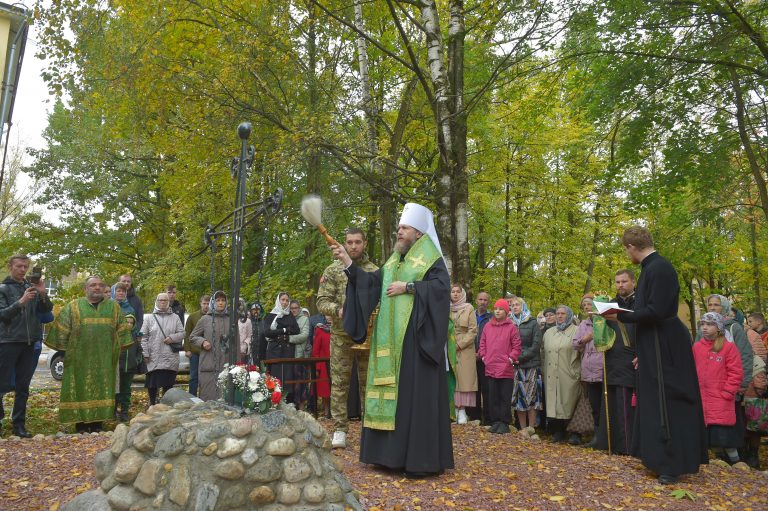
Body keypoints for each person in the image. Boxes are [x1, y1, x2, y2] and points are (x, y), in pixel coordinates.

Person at [333, 202, 453, 477]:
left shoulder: (431, 259)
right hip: (390, 345)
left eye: (404, 228)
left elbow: (440, 290)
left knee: (412, 400)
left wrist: (409, 287)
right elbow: (372, 284)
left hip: (415, 344)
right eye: (399, 227)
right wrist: (348, 263)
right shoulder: (394, 259)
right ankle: (387, 456)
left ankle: (416, 458)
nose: (399, 232)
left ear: (419, 232)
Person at [613, 226, 707, 484]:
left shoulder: (660, 268)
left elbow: (658, 310)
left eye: (625, 249)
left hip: (666, 344)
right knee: (655, 400)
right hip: (654, 342)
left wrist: (619, 314)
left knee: (670, 400)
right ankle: (657, 459)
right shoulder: (650, 269)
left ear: (631, 247)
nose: (626, 253)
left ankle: (673, 464)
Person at [317, 227, 378, 449]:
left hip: (367, 336)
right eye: (350, 242)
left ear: (365, 243)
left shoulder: (374, 270)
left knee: (369, 383)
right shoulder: (334, 270)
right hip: (341, 335)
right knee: (340, 384)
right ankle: (340, 430)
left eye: (357, 242)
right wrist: (339, 310)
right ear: (344, 243)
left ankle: (369, 429)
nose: (353, 246)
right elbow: (321, 301)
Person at [45, 276, 132, 432]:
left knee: (102, 389)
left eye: (100, 285)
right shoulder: (73, 306)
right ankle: (81, 425)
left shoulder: (114, 308)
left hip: (104, 360)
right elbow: (61, 331)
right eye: (93, 285)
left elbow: (123, 332)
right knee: (80, 390)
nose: (97, 287)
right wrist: (67, 352)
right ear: (86, 289)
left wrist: (116, 350)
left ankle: (98, 424)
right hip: (78, 360)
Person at [0, 255, 54, 437]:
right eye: (19, 266)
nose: (23, 269)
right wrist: (21, 302)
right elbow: (3, 315)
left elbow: (46, 311)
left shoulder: (31, 287)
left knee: (23, 387)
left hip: (29, 343)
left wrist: (42, 292)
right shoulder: (3, 289)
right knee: (2, 384)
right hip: (8, 341)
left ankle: (19, 425)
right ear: (10, 266)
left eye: (25, 266)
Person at [594, 269, 637, 454]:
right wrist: (598, 320)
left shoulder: (641, 304)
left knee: (628, 404)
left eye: (624, 281)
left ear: (633, 282)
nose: (620, 285)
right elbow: (601, 334)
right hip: (611, 359)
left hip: (633, 359)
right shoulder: (609, 304)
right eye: (617, 282)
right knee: (612, 401)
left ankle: (629, 446)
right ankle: (611, 443)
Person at [693, 312, 744, 464]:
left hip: (720, 399)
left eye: (709, 324)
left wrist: (727, 392)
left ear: (719, 327)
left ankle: (736, 464)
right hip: (701, 398)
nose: (705, 327)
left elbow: (736, 372)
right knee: (708, 437)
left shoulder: (728, 348)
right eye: (703, 324)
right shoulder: (696, 347)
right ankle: (716, 466)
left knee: (725, 437)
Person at [477, 299, 522, 434]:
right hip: (490, 366)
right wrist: (484, 356)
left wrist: (510, 359)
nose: (497, 311)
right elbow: (482, 342)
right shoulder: (487, 326)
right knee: (492, 395)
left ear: (506, 312)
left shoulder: (511, 327)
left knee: (504, 396)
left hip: (505, 368)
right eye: (496, 308)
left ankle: (504, 422)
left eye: (500, 309)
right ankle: (495, 421)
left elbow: (517, 345)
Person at [542, 305, 581, 444]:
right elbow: (543, 353)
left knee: (570, 401)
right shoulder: (549, 332)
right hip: (551, 373)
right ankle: (558, 431)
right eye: (557, 313)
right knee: (555, 401)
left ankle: (574, 433)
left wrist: (577, 372)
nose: (559, 316)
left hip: (569, 372)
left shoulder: (577, 331)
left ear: (569, 315)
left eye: (563, 314)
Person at [141, 292, 185, 406]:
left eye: (165, 300)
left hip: (169, 356)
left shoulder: (175, 317)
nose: (162, 302)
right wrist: (145, 353)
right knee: (152, 383)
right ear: (156, 301)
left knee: (167, 384)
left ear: (168, 302)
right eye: (160, 300)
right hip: (153, 356)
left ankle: (166, 405)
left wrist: (172, 338)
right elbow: (143, 337)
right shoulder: (149, 318)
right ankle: (152, 404)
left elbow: (182, 333)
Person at [190, 291, 231, 401]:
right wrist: (202, 342)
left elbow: (235, 342)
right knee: (209, 394)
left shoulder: (231, 320)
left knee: (225, 393)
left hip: (226, 360)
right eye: (218, 300)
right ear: (213, 302)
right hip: (209, 360)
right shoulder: (206, 319)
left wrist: (236, 363)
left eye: (223, 300)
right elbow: (193, 336)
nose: (220, 303)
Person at [510, 296, 543, 431]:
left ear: (523, 306)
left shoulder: (532, 322)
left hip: (530, 366)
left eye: (517, 304)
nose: (515, 307)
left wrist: (520, 357)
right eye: (512, 305)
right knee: (519, 398)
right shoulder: (510, 322)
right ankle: (522, 428)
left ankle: (531, 428)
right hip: (515, 366)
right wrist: (512, 358)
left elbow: (536, 345)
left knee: (531, 397)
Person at [573, 294, 603, 441]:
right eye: (584, 305)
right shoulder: (583, 325)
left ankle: (606, 435)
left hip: (603, 369)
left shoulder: (604, 321)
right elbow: (574, 344)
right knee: (594, 405)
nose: (586, 307)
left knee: (604, 405)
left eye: (589, 304)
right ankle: (596, 436)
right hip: (588, 369)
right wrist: (583, 340)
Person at [263, 292, 300, 400]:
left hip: (287, 350)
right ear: (278, 301)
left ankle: (288, 402)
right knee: (275, 377)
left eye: (287, 300)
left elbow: (296, 330)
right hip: (274, 350)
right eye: (282, 300)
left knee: (287, 377)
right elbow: (267, 332)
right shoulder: (270, 316)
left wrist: (280, 332)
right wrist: (284, 330)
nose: (285, 302)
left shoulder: (290, 316)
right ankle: (274, 401)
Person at [450, 284, 478, 425]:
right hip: (448, 346)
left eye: (458, 292)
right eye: (453, 291)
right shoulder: (445, 307)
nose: (455, 294)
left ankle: (462, 410)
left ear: (462, 294)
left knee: (464, 379)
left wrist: (460, 344)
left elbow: (473, 330)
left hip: (465, 348)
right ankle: (453, 408)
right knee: (452, 378)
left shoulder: (469, 308)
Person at [113, 282, 141, 422]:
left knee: (126, 386)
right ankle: (112, 410)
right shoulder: (109, 306)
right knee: (114, 385)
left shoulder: (130, 308)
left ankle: (124, 411)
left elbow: (133, 327)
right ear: (114, 292)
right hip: (114, 351)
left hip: (128, 354)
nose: (120, 293)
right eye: (118, 291)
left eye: (123, 291)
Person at [471, 291, 493, 424]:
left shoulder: (491, 318)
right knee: (473, 387)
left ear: (488, 302)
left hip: (486, 359)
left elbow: (493, 338)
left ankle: (488, 418)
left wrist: (482, 353)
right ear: (476, 301)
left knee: (487, 388)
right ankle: (474, 417)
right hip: (470, 357)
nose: (483, 302)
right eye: (480, 299)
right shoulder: (470, 315)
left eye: (485, 300)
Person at [184, 294, 210, 397]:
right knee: (194, 376)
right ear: (200, 304)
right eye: (204, 303)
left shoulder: (213, 317)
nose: (206, 306)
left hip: (208, 352)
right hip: (195, 351)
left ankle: (205, 397)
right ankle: (193, 398)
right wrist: (187, 349)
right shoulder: (193, 316)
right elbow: (187, 333)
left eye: (208, 304)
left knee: (207, 376)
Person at [288, 300, 310, 409]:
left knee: (300, 384)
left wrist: (288, 339)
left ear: (299, 308)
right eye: (291, 308)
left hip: (299, 356)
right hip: (288, 355)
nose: (293, 310)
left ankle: (302, 410)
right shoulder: (287, 319)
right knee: (291, 385)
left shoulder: (304, 319)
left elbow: (304, 336)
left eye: (295, 308)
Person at [312, 316, 332, 418]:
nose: (330, 317)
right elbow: (316, 350)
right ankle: (326, 410)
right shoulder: (320, 330)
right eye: (328, 314)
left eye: (331, 314)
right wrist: (317, 366)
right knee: (326, 389)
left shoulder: (339, 329)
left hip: (337, 362)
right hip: (324, 363)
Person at [237, 299, 253, 364]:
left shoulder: (248, 321)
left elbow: (249, 336)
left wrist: (245, 346)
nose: (240, 307)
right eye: (238, 305)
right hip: (231, 351)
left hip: (243, 351)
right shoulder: (230, 319)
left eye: (241, 305)